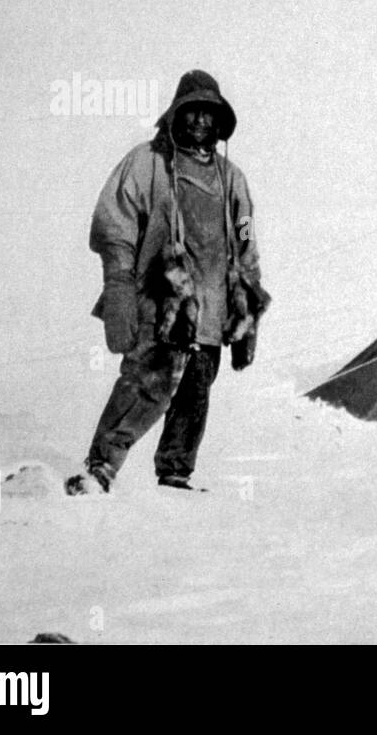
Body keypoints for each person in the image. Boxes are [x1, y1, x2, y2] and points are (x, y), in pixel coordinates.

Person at [66, 70, 270, 494]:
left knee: (196, 391)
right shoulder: (147, 162)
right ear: (176, 112)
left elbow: (247, 239)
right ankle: (101, 467)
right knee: (146, 383)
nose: (200, 121)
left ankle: (175, 475)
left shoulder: (234, 180)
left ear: (219, 122)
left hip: (212, 310)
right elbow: (114, 222)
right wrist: (119, 282)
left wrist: (247, 314)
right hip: (162, 301)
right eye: (192, 110)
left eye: (208, 114)